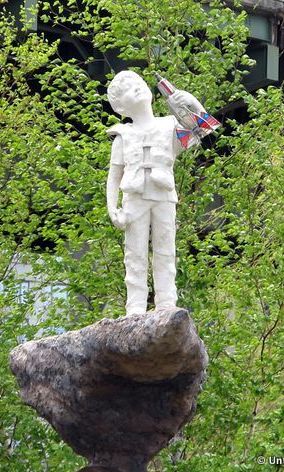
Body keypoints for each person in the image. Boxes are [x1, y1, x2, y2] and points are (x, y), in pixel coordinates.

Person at [106, 70, 206, 315]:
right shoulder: (122, 135)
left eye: (139, 83)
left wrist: (191, 102)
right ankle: (135, 307)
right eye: (129, 89)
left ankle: (166, 303)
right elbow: (114, 174)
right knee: (135, 253)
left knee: (165, 250)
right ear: (120, 107)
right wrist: (112, 208)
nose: (137, 88)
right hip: (134, 199)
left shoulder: (171, 125)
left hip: (163, 196)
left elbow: (202, 128)